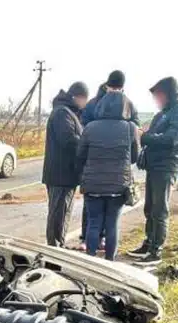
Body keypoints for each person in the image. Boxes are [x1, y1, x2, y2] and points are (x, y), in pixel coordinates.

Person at [128, 76, 178, 265]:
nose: (157, 100)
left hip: (166, 166)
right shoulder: (162, 114)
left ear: (168, 94)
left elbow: (171, 139)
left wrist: (144, 136)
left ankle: (156, 251)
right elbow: (154, 133)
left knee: (160, 209)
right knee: (150, 208)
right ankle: (148, 243)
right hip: (153, 166)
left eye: (159, 95)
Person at [75, 92, 140, 261]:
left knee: (94, 223)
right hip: (118, 185)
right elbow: (134, 157)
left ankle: (91, 259)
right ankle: (110, 260)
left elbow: (80, 154)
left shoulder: (90, 127)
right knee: (112, 224)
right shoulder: (130, 128)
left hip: (93, 184)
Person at [42, 81, 88, 247]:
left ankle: (58, 244)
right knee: (58, 213)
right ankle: (55, 247)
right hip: (61, 174)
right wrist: (86, 142)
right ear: (78, 97)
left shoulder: (68, 112)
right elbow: (68, 140)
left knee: (62, 212)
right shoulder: (63, 113)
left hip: (64, 174)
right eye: (84, 99)